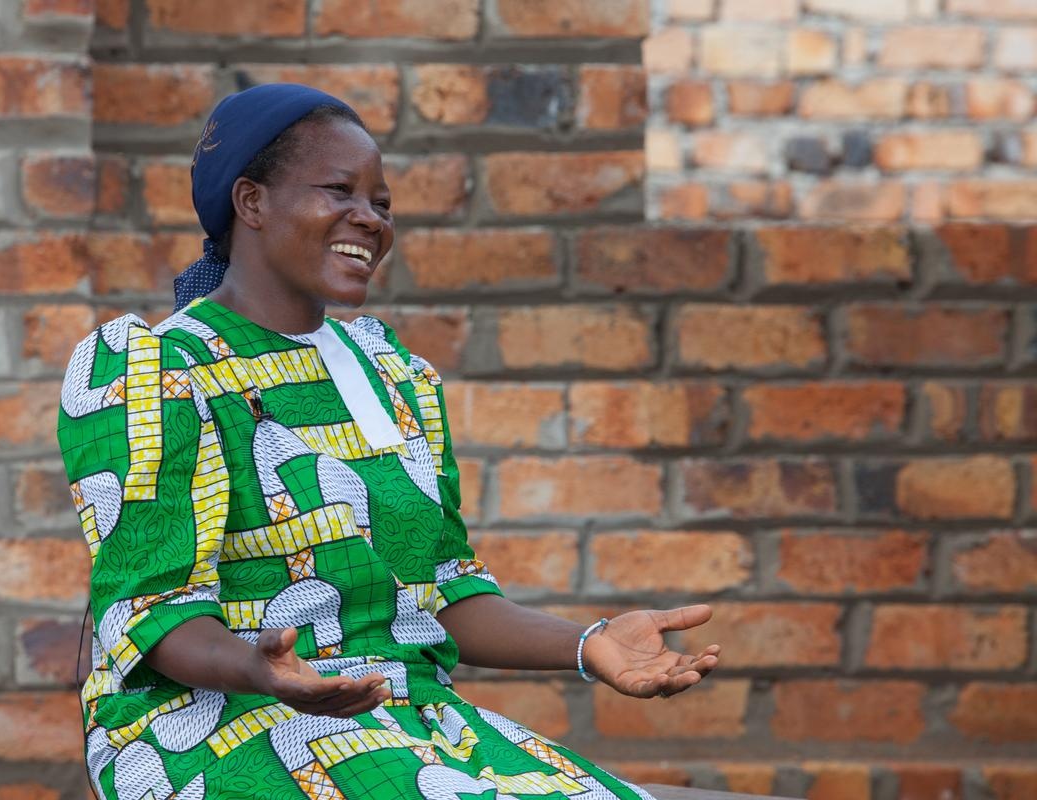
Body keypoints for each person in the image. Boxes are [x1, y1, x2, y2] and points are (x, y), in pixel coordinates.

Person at [57, 83, 721, 800]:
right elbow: (153, 611)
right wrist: (261, 669)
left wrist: (591, 645)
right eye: (339, 190)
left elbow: (446, 589)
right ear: (251, 202)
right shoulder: (157, 369)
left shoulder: (392, 373)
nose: (369, 219)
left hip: (407, 718)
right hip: (216, 725)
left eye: (381, 203)